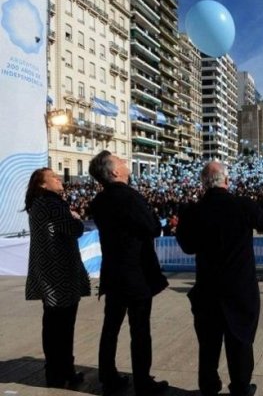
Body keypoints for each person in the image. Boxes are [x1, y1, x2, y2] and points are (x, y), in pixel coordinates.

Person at [176, 161, 263, 396]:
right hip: (239, 290)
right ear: (227, 181)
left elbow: (187, 246)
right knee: (240, 342)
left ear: (203, 184)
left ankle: (208, 387)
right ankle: (240, 387)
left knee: (208, 344)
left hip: (207, 290)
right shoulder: (242, 205)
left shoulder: (193, 210)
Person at [88, 151, 169, 396]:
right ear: (114, 172)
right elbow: (153, 227)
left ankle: (107, 376)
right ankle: (143, 382)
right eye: (120, 161)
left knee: (110, 326)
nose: (124, 162)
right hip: (136, 274)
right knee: (140, 330)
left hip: (113, 272)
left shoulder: (99, 201)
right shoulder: (130, 197)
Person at [24, 168, 91, 388]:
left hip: (48, 274)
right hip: (60, 275)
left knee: (52, 326)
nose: (58, 179)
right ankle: (64, 372)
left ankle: (56, 372)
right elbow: (73, 229)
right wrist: (76, 219)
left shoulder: (37, 205)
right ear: (42, 184)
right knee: (63, 327)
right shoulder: (53, 204)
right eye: (53, 177)